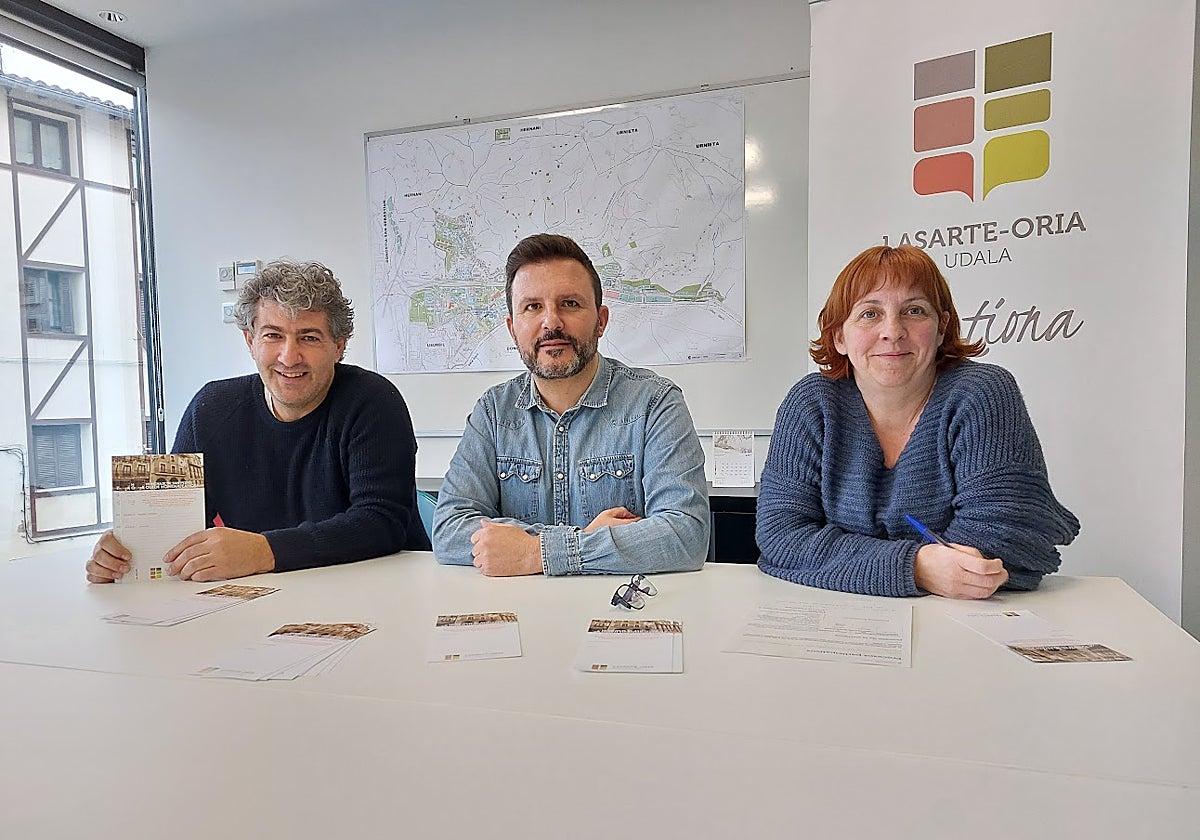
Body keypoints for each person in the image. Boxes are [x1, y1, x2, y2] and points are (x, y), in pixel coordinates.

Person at [756, 244, 1079, 599]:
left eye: (914, 310)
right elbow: (781, 535)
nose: (892, 331)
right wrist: (915, 567)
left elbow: (1003, 532)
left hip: (965, 618)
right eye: (869, 314)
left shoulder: (983, 393)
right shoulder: (811, 403)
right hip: (834, 617)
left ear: (941, 329)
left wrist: (846, 560)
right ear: (839, 337)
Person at [86, 260, 430, 583]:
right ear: (250, 341)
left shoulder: (373, 401)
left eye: (309, 337)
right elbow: (174, 525)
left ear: (338, 346)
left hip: (378, 590)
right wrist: (128, 552)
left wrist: (264, 551)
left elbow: (382, 523)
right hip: (260, 600)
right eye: (273, 335)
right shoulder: (211, 408)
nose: (289, 356)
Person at [432, 233, 709, 576]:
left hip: (621, 618)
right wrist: (585, 540)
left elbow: (686, 536)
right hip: (520, 615)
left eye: (570, 304)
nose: (552, 322)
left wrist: (533, 553)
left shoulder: (655, 403)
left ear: (601, 321)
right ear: (512, 329)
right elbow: (448, 530)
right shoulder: (493, 413)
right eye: (533, 306)